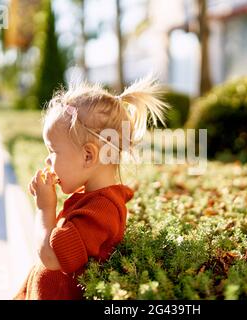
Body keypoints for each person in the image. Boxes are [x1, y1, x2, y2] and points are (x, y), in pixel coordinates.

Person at [14, 76, 169, 299]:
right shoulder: (89, 198)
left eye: (53, 151)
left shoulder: (102, 210)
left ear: (88, 155)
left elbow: (51, 257)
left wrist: (45, 209)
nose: (48, 160)